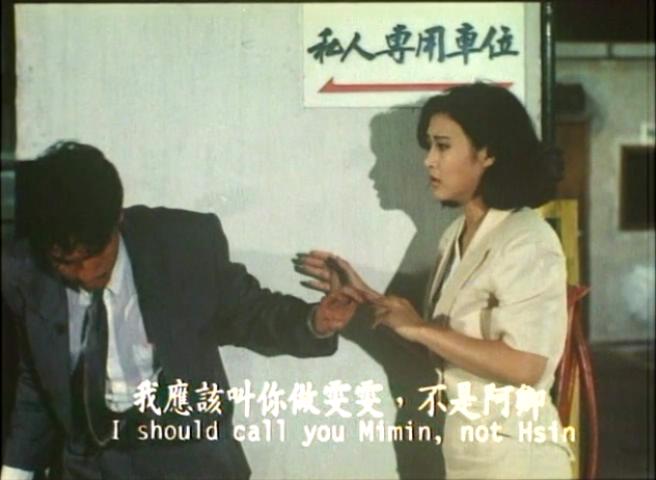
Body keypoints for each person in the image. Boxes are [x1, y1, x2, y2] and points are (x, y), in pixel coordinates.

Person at [1, 141, 364, 480]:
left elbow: (250, 312)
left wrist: (314, 322)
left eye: (94, 255)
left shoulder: (183, 244)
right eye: (65, 263)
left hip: (189, 459)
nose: (83, 273)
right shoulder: (23, 271)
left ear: (118, 220)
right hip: (92, 467)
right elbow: (37, 379)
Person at [295, 83, 574, 479]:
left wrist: (421, 328)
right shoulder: (455, 235)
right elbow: (441, 347)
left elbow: (526, 364)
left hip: (516, 459)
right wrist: (365, 297)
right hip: (466, 454)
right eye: (429, 146)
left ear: (488, 153)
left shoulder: (527, 239)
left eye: (442, 146)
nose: (429, 161)